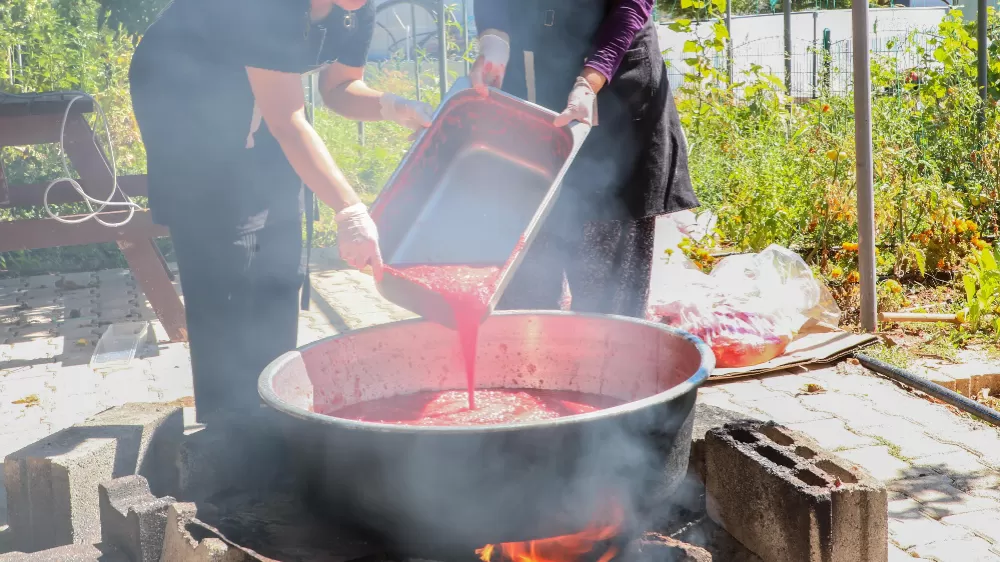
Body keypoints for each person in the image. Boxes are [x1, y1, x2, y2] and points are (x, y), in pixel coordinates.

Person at [129, 0, 432, 423]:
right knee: (224, 260)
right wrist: (350, 210)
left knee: (279, 252)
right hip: (184, 100)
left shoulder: (354, 6)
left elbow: (339, 89)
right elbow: (287, 121)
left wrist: (395, 107)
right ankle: (226, 426)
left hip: (262, 109)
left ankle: (275, 409)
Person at [471, 0, 698, 318]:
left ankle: (608, 360)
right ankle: (532, 360)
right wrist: (494, 42)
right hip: (533, 86)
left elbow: (630, 7)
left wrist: (589, 80)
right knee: (526, 280)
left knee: (605, 297)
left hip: (614, 90)